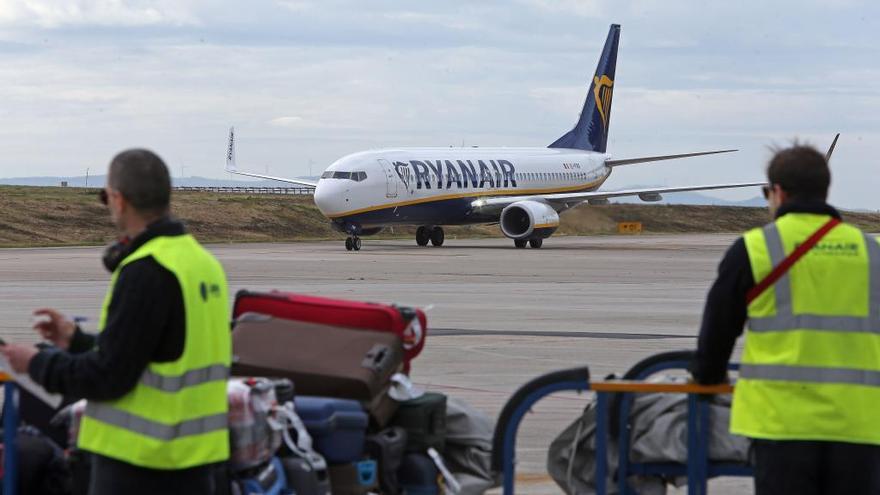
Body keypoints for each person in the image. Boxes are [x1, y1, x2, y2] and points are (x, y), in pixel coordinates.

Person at [0, 149, 231, 494]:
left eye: (105, 196)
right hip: (196, 464)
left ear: (119, 200)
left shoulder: (145, 270)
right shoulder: (202, 263)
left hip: (140, 464)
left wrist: (36, 363)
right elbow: (157, 353)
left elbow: (108, 376)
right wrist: (76, 341)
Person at [690, 142, 880, 494]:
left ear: (777, 192)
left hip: (781, 426)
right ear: (825, 190)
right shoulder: (871, 251)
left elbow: (716, 333)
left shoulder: (755, 248)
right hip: (861, 425)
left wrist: (706, 380)